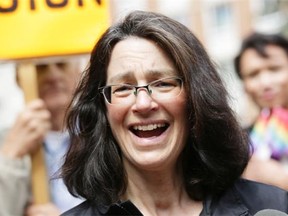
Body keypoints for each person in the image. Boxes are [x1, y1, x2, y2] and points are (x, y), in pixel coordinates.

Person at [61, 11, 288, 216]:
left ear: (197, 98)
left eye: (162, 84)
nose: (143, 103)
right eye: (123, 88)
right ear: (102, 109)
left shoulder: (271, 207)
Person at [0, 57, 85, 216]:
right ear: (20, 78)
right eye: (41, 67)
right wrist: (10, 156)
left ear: (79, 73)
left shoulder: (105, 135)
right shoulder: (5, 145)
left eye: (61, 64)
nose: (53, 76)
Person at [234, 33, 288, 191]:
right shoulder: (242, 145)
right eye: (253, 74)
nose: (265, 83)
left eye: (274, 69)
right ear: (244, 86)